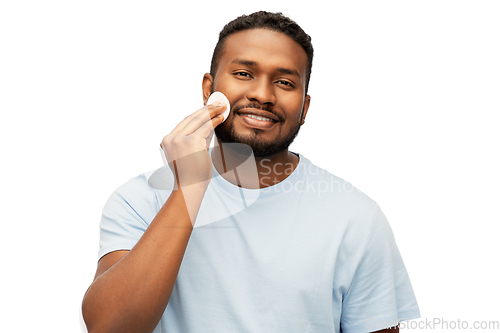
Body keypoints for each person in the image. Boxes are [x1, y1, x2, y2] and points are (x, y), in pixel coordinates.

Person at [82, 11, 420, 333]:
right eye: (244, 74)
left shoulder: (356, 218)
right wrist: (189, 187)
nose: (262, 94)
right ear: (208, 89)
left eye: (285, 82)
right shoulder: (139, 200)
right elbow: (109, 327)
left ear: (304, 108)